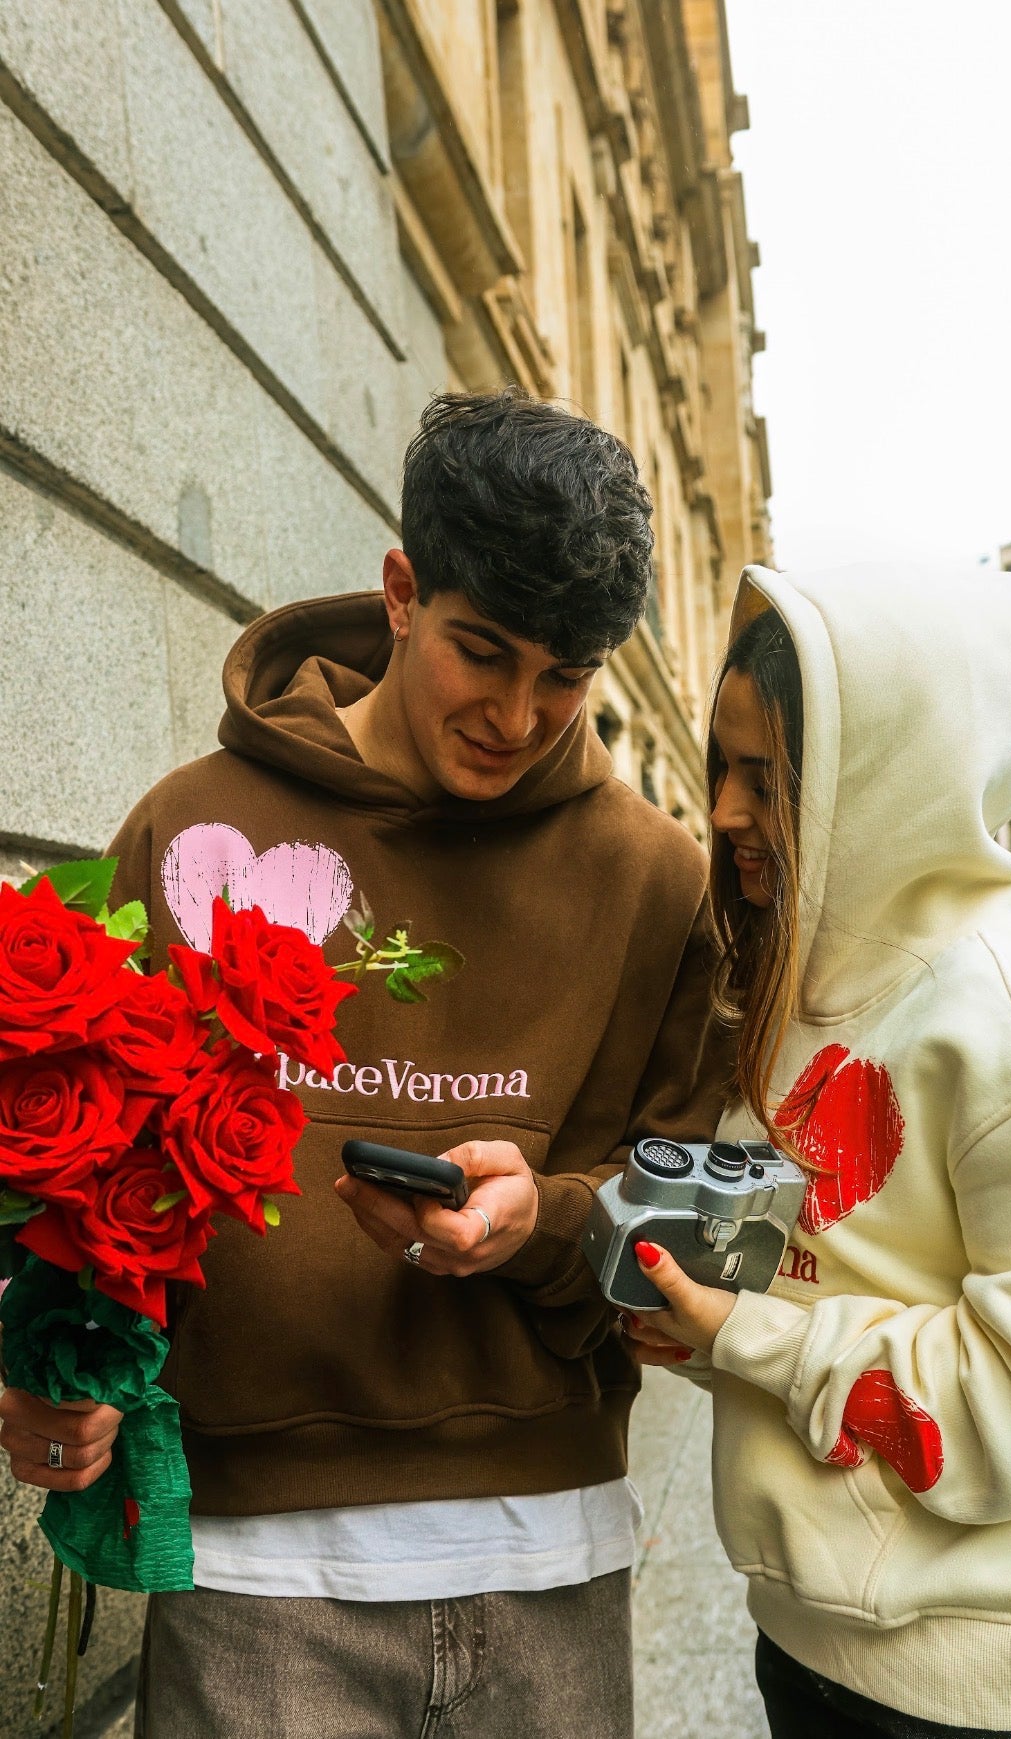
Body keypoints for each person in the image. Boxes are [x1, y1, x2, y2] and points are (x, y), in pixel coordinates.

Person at [0, 389, 728, 1738]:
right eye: (483, 650)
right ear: (402, 591)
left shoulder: (651, 879)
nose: (516, 713)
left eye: (563, 674)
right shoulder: (193, 823)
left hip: (547, 1561)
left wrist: (540, 1220)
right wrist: (45, 1359)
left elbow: (682, 1223)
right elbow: (74, 1153)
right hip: (254, 1583)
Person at [624, 563, 1011, 1738]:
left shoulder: (1007, 1032)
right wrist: (705, 1322)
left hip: (1001, 1692)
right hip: (826, 1655)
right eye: (723, 767)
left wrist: (754, 1336)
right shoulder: (805, 980)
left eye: (765, 781)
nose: (722, 812)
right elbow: (839, 1267)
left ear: (885, 785)